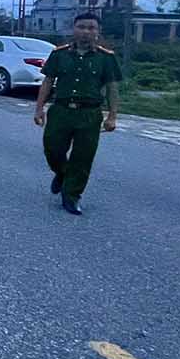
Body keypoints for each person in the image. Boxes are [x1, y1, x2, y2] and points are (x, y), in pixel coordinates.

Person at [34, 11, 122, 216]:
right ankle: (62, 173)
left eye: (91, 28)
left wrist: (112, 116)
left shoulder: (105, 58)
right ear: (73, 29)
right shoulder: (59, 54)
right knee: (52, 149)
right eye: (81, 27)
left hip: (89, 115)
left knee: (83, 158)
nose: (86, 31)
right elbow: (47, 81)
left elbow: (112, 88)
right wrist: (39, 108)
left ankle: (71, 196)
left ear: (98, 32)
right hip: (61, 111)